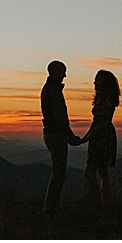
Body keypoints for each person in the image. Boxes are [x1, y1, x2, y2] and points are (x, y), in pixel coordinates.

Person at [41, 60, 82, 213]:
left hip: (50, 134)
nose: (65, 75)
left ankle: (52, 206)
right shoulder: (54, 91)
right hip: (56, 135)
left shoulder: (48, 89)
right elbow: (61, 119)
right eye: (63, 71)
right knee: (59, 173)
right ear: (56, 72)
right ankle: (50, 208)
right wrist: (71, 137)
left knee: (57, 171)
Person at [80, 69, 119, 207]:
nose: (95, 82)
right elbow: (97, 123)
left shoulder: (105, 101)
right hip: (103, 136)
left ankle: (100, 203)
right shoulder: (104, 99)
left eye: (98, 79)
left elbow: (101, 124)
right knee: (103, 171)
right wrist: (86, 137)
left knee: (90, 172)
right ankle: (105, 203)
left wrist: (87, 138)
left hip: (102, 137)